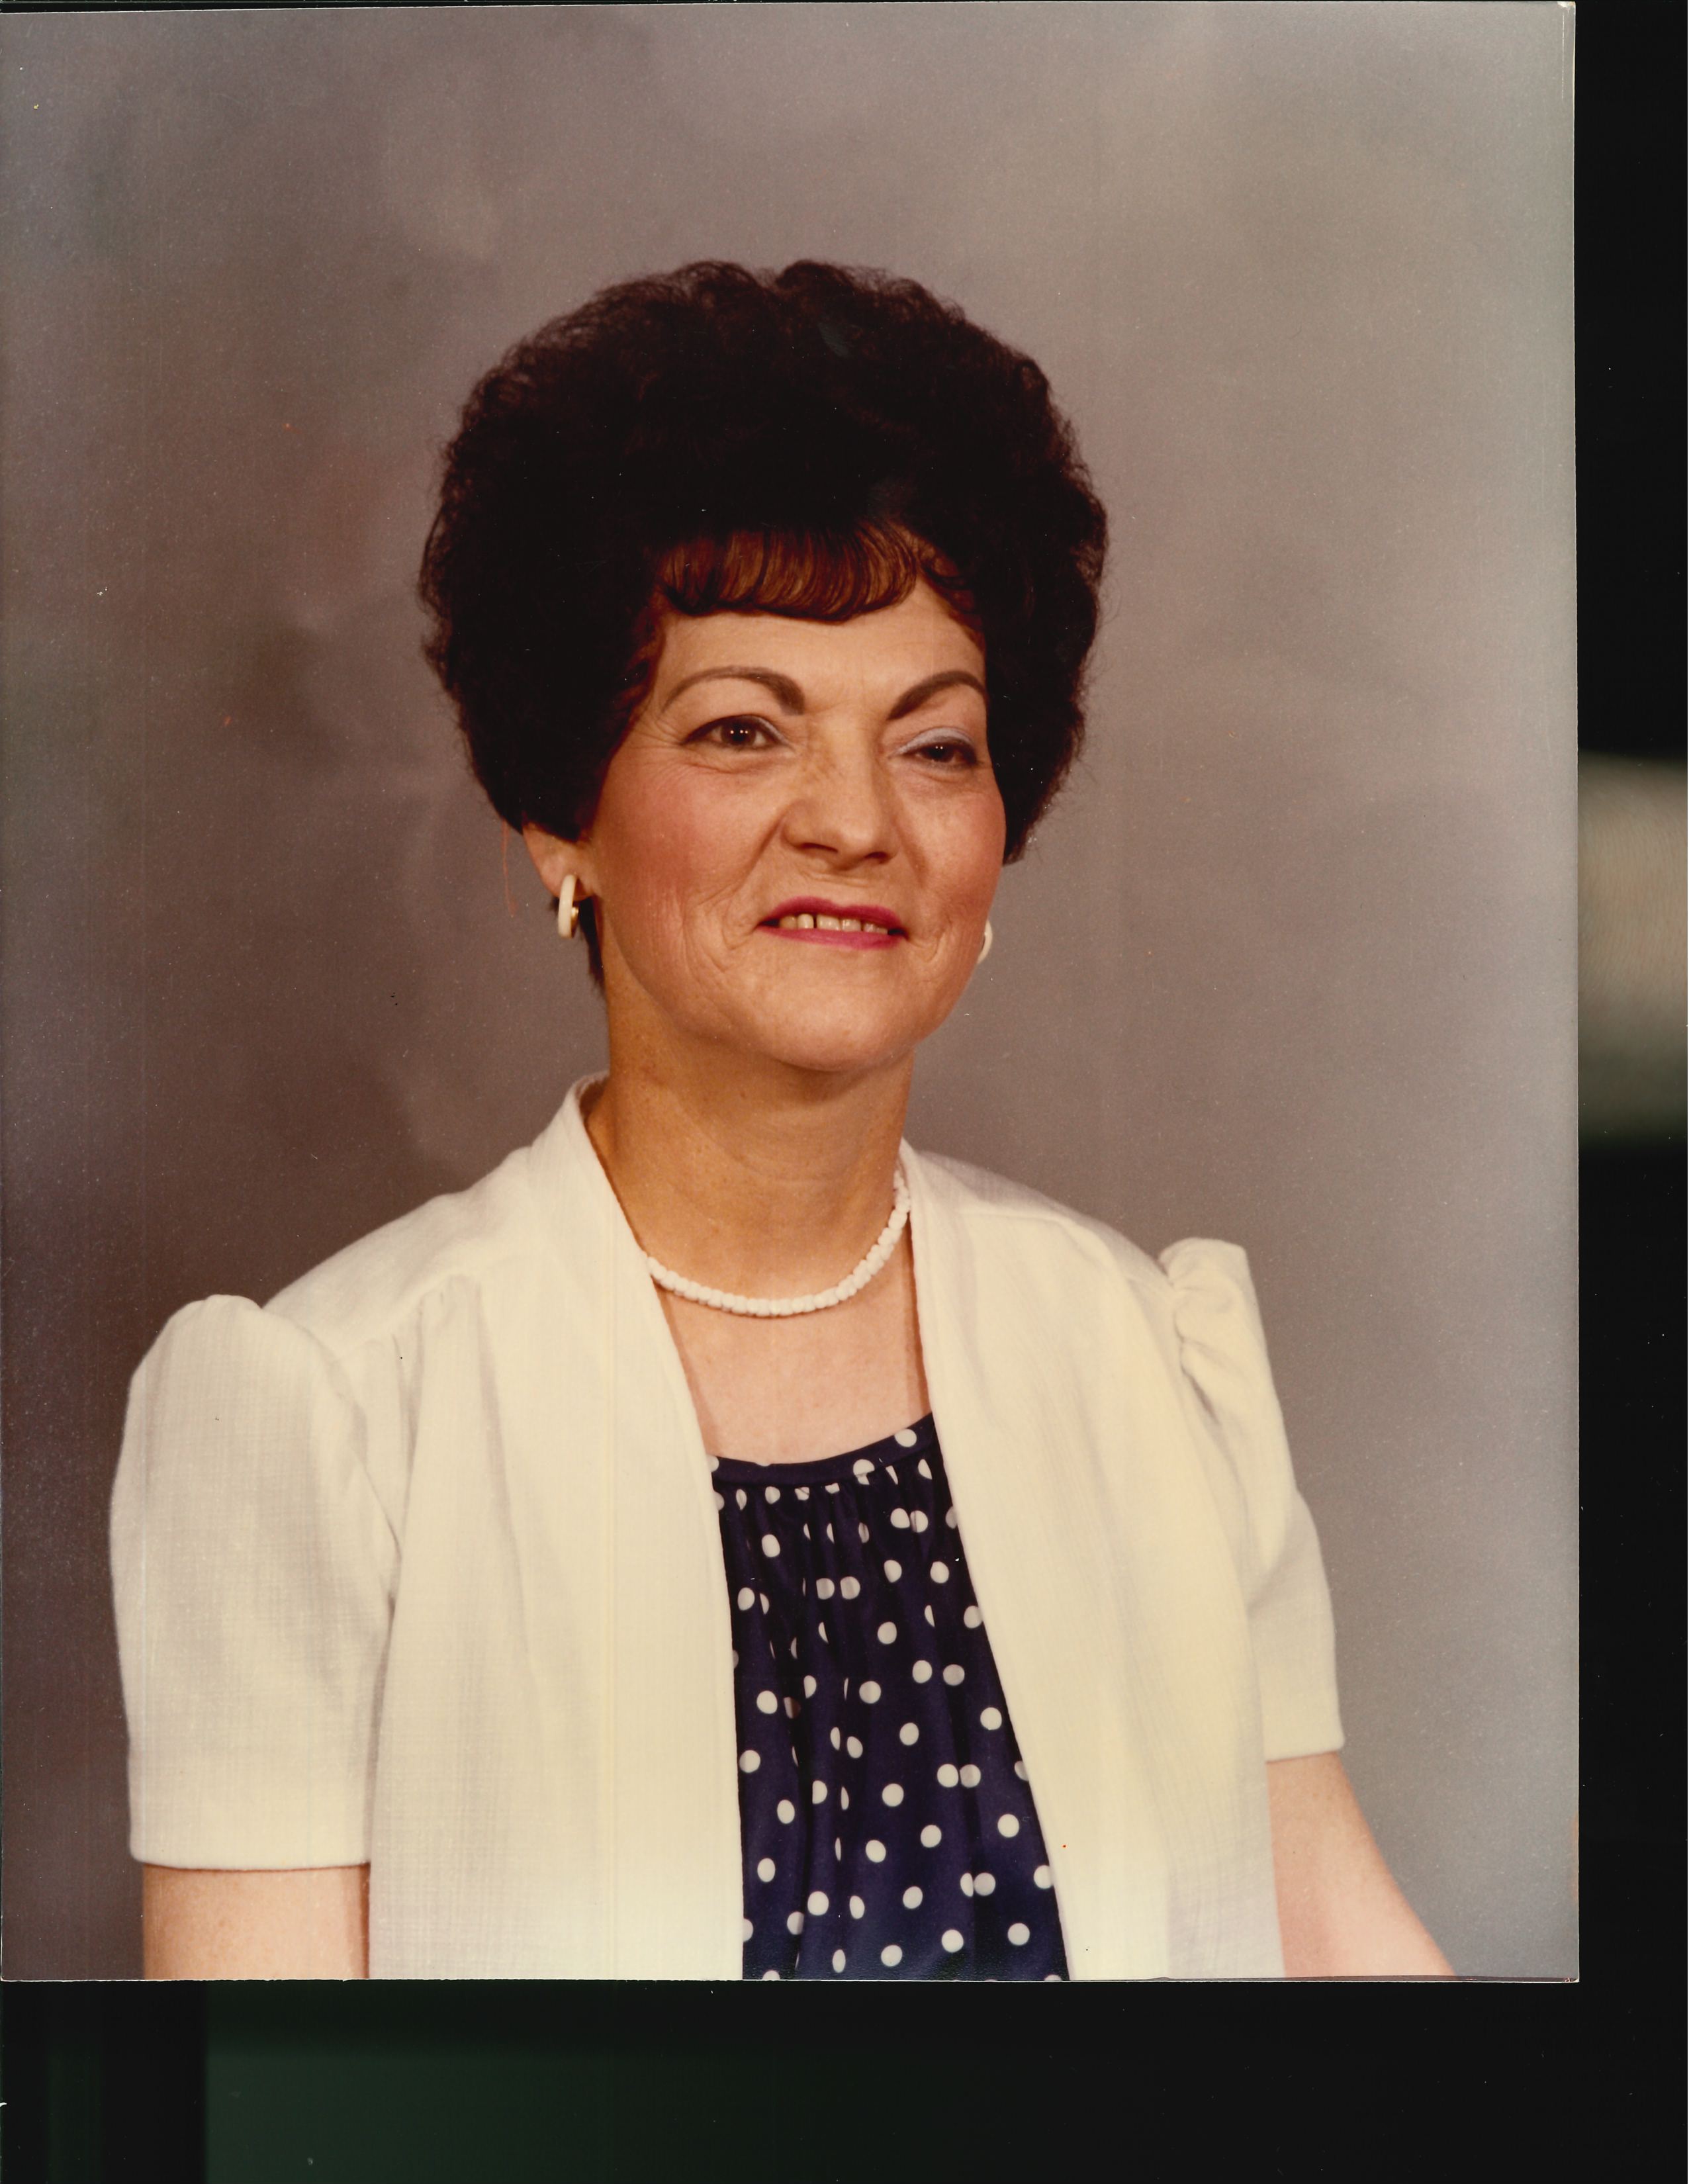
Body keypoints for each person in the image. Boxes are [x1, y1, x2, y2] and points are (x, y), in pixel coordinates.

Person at [111, 261, 1451, 1981]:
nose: (854, 820)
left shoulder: (1151, 1361)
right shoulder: (324, 1418)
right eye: (744, 729)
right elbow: (268, 2100)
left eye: (935, 745)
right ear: (563, 816)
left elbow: (1353, 1978)